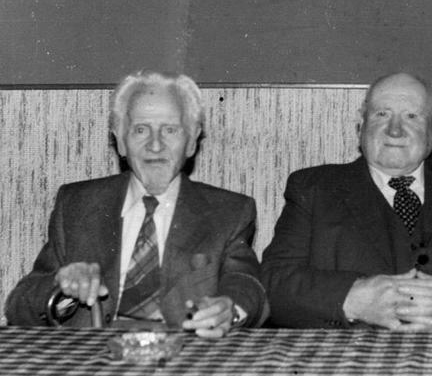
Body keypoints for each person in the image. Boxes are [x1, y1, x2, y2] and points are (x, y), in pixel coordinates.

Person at [261, 72, 432, 330]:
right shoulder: (314, 188)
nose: (395, 130)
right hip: (347, 359)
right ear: (361, 123)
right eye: (382, 114)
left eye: (412, 116)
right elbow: (274, 283)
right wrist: (352, 299)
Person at [5, 71, 268, 337]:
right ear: (120, 140)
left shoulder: (229, 211)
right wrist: (62, 289)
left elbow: (246, 284)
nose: (155, 145)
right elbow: (18, 307)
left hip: (185, 353)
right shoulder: (77, 204)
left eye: (170, 130)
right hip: (92, 356)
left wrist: (229, 310)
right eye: (141, 129)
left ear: (191, 141)